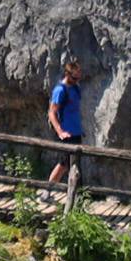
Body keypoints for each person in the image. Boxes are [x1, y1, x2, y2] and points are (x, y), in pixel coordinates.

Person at [48, 59, 85, 187]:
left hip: (76, 132)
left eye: (78, 78)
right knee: (63, 164)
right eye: (74, 78)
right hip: (66, 133)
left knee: (74, 164)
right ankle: (47, 191)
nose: (76, 81)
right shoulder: (60, 90)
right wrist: (60, 132)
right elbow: (52, 112)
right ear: (67, 75)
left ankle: (76, 194)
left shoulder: (75, 88)